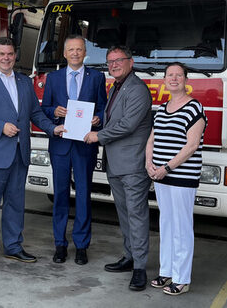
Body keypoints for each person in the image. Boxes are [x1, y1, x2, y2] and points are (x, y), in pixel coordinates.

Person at [0, 37, 66, 270]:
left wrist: (53, 128)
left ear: (15, 56)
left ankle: (13, 246)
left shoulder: (24, 82)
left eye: (10, 54)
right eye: (1, 54)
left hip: (19, 153)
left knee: (15, 203)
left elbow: (36, 113)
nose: (6, 58)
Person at [84, 46, 153, 291]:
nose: (113, 65)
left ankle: (140, 269)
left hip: (133, 164)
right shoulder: (116, 87)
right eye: (110, 61)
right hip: (116, 164)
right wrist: (98, 120)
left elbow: (127, 125)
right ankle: (129, 255)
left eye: (118, 60)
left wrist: (98, 135)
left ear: (130, 62)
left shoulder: (137, 89)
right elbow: (115, 118)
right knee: (124, 214)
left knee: (136, 215)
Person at [40, 35, 107, 265]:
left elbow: (104, 107)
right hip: (60, 144)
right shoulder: (54, 78)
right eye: (71, 49)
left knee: (83, 196)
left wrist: (99, 118)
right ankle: (60, 244)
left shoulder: (96, 77)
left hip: (84, 144)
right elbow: (44, 108)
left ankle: (81, 245)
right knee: (59, 195)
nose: (75, 53)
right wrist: (54, 113)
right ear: (65, 53)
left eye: (79, 49)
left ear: (85, 51)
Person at [146, 62, 206, 296]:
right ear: (164, 79)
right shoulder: (162, 108)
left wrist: (166, 168)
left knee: (182, 227)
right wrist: (148, 164)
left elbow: (191, 146)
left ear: (186, 79)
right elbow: (151, 139)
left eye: (178, 75)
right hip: (161, 176)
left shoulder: (194, 108)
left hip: (181, 177)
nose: (174, 78)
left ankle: (182, 278)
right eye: (170, 75)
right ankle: (167, 271)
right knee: (166, 224)